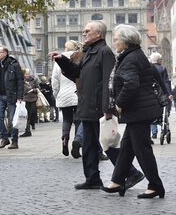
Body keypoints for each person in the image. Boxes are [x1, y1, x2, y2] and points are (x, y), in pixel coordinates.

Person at [51, 21, 144, 190]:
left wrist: (108, 108)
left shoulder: (104, 52)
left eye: (87, 31)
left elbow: (109, 83)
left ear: (98, 34)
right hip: (87, 105)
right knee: (89, 145)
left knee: (107, 143)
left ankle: (131, 173)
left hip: (98, 107)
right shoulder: (89, 52)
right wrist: (62, 61)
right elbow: (76, 74)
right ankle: (92, 178)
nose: (84, 33)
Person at [102, 25, 165, 199]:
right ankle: (118, 181)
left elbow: (131, 84)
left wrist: (120, 104)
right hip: (140, 109)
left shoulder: (130, 59)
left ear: (126, 41)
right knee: (127, 149)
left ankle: (155, 185)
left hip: (138, 110)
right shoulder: (135, 55)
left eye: (116, 39)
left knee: (142, 149)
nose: (114, 42)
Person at [51, 41, 80, 157]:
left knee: (67, 120)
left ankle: (65, 139)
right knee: (78, 120)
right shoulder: (79, 57)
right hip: (77, 94)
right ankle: (77, 141)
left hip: (64, 94)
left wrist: (56, 94)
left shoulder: (59, 59)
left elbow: (55, 80)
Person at [0, 45, 24, 150]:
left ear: (5, 53)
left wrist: (20, 96)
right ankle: (4, 138)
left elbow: (20, 81)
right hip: (0, 96)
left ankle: (14, 141)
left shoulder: (14, 65)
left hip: (12, 96)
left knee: (12, 119)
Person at [149, 52, 173, 139]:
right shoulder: (162, 69)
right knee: (164, 112)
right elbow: (166, 82)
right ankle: (165, 129)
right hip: (161, 94)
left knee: (152, 113)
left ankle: (154, 132)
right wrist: (169, 93)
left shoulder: (149, 68)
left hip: (152, 94)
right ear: (159, 60)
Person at [21, 69, 38, 137]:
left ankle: (32, 124)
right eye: (26, 74)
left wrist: (33, 90)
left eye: (28, 74)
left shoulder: (34, 80)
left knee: (32, 113)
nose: (27, 75)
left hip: (33, 99)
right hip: (26, 99)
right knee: (27, 115)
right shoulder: (22, 81)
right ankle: (27, 129)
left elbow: (38, 88)